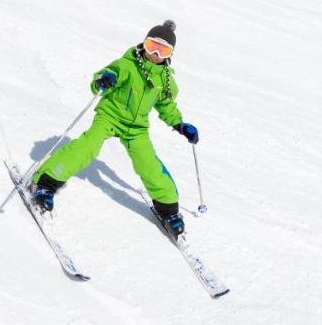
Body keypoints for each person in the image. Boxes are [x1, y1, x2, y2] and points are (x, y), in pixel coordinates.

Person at [29, 20, 199, 237]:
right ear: (143, 44)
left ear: (170, 54)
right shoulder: (127, 65)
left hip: (136, 128)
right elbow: (101, 76)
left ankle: (168, 210)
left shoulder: (166, 81)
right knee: (88, 146)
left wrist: (180, 124)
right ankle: (45, 182)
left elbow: (166, 106)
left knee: (148, 163)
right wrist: (104, 79)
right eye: (151, 45)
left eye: (162, 49)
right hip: (109, 116)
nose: (155, 53)